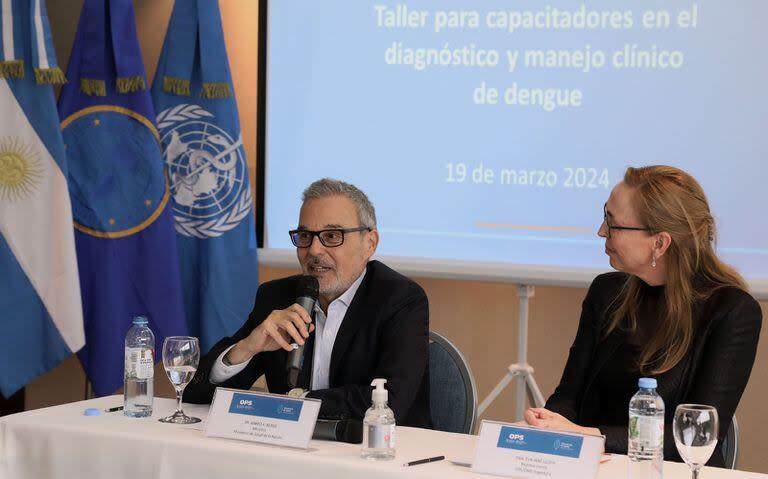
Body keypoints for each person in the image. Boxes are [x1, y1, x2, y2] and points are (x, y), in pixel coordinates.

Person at [523, 165, 762, 467]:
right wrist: (550, 421)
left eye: (613, 224)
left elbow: (693, 437)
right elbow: (569, 395)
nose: (600, 231)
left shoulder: (732, 311)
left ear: (660, 243)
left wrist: (589, 435)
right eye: (604, 216)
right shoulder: (606, 291)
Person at [184, 178, 431, 427]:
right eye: (305, 236)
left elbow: (389, 401)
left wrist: (295, 401)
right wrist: (247, 347)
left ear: (370, 243)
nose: (313, 250)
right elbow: (196, 393)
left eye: (332, 236)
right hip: (292, 454)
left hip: (382, 454)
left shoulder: (401, 300)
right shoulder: (276, 297)